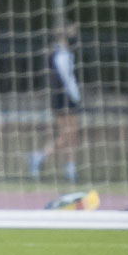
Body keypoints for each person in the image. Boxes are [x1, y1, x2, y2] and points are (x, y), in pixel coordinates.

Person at [30, 22, 81, 182]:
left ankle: (70, 168)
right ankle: (40, 157)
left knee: (71, 134)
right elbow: (67, 79)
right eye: (73, 31)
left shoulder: (60, 52)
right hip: (64, 97)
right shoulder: (61, 54)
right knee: (68, 133)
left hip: (61, 97)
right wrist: (76, 96)